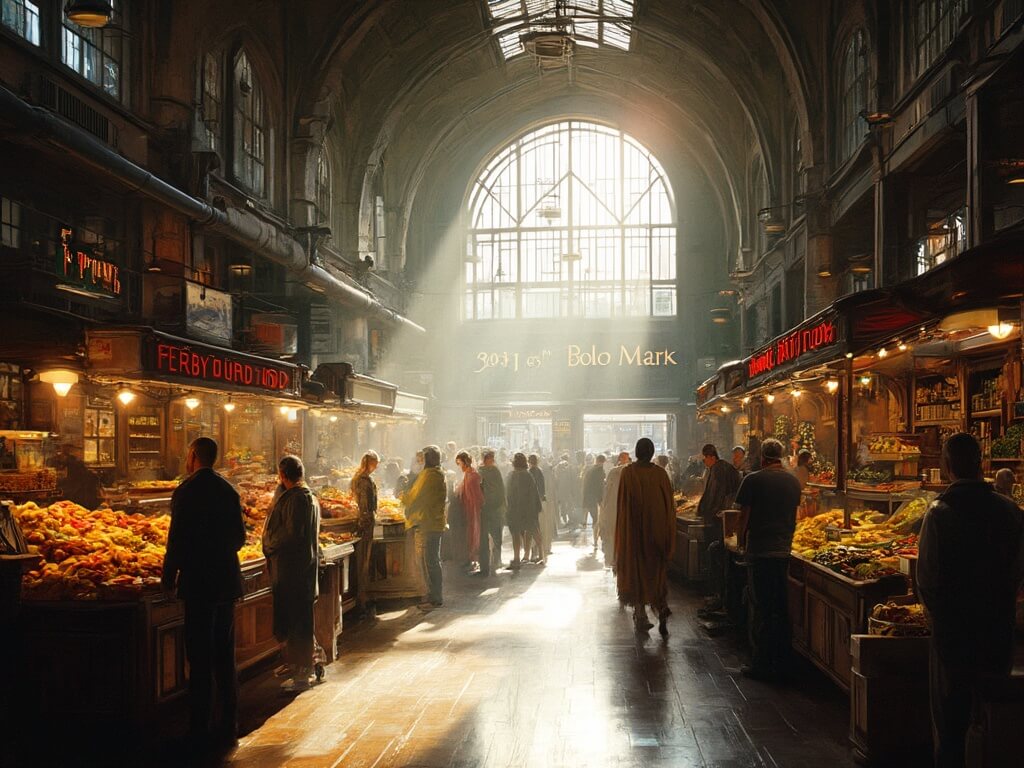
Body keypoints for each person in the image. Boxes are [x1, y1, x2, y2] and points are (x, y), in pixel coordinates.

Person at [917, 433, 1024, 768]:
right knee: (990, 711)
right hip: (997, 626)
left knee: (950, 719)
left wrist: (938, 615)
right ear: (982, 464)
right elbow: (1019, 570)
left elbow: (927, 579)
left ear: (946, 466)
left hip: (952, 630)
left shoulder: (939, 513)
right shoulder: (1011, 511)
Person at [162, 437, 245, 748]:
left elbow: (177, 539)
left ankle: (200, 727)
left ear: (193, 455)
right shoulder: (228, 489)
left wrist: (169, 577)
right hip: (225, 582)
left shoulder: (186, 490)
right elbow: (239, 538)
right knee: (224, 655)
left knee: (198, 656)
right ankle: (229, 722)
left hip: (198, 583)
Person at [734, 438, 802, 681]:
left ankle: (760, 663)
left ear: (762, 457)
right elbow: (795, 515)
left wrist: (741, 541)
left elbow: (744, 515)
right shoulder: (793, 481)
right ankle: (783, 661)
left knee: (761, 607)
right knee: (780, 608)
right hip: (784, 551)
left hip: (760, 550)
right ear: (781, 457)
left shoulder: (753, 479)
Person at [263, 455, 322, 692]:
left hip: (294, 571)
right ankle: (305, 665)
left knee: (299, 623)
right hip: (301, 570)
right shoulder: (307, 496)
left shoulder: (298, 499)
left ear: (282, 475)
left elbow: (291, 535)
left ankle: (302, 672)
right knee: (299, 621)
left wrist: (268, 544)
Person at [615, 438, 676, 635]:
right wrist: (667, 533)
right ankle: (661, 607)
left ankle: (640, 614)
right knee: (656, 573)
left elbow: (623, 507)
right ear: (651, 453)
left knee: (637, 574)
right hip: (657, 533)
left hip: (633, 533)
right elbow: (669, 506)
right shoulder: (660, 474)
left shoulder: (628, 473)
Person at [697, 444, 741, 614]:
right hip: (725, 517)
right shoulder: (724, 467)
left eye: (705, 459)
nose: (704, 462)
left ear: (711, 456)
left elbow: (715, 493)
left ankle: (719, 594)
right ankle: (720, 594)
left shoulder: (717, 469)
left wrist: (707, 511)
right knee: (721, 554)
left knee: (717, 554)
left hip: (720, 519)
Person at [402, 445, 447, 607]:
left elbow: (415, 497)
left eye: (422, 458)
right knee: (433, 560)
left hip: (428, 523)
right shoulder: (437, 474)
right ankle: (434, 595)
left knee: (430, 561)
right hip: (435, 522)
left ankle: (434, 596)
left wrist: (403, 496)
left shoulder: (429, 476)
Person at [350, 450, 379, 617]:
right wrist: (364, 524)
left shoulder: (359, 478)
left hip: (364, 524)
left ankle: (361, 598)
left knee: (363, 562)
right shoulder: (364, 481)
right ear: (370, 463)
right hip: (364, 526)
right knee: (362, 562)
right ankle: (361, 600)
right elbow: (364, 505)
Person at [505, 452, 543, 570]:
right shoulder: (528, 476)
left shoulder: (511, 475)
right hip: (528, 510)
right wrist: (536, 508)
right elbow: (534, 494)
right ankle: (541, 555)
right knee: (534, 530)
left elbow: (507, 493)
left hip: (514, 510)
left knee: (515, 534)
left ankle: (517, 558)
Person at [599, 451, 630, 569]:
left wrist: (604, 506)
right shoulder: (630, 472)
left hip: (612, 507)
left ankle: (614, 558)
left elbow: (607, 492)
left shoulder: (613, 472)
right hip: (623, 508)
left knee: (612, 534)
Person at [477, 450, 507, 576]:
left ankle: (497, 559)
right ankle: (485, 563)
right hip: (484, 507)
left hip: (495, 507)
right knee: (484, 536)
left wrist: (501, 503)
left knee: (497, 535)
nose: (491, 460)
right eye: (489, 458)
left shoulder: (495, 471)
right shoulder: (480, 471)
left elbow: (501, 488)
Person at [455, 451, 483, 572]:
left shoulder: (472, 475)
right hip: (468, 508)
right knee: (470, 533)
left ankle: (474, 559)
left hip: (473, 509)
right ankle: (471, 558)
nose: (459, 466)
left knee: (474, 533)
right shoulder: (468, 474)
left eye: (459, 463)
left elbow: (478, 496)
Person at [56, 445, 102, 510]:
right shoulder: (76, 464)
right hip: (82, 498)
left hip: (78, 495)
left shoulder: (73, 464)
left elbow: (71, 479)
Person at [528, 454, 554, 558]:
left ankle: (535, 551)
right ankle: (542, 549)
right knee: (542, 526)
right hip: (541, 501)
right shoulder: (539, 471)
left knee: (534, 527)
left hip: (533, 503)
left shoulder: (530, 472)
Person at [581, 454, 606, 551]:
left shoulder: (589, 470)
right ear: (602, 462)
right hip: (596, 499)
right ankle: (596, 540)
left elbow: (585, 486)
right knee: (597, 520)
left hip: (589, 498)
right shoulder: (600, 471)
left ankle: (595, 540)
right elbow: (600, 487)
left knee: (595, 519)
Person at [553, 454, 576, 527]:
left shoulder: (557, 467)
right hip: (568, 488)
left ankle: (564, 520)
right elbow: (573, 479)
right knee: (570, 504)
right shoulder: (570, 467)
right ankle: (570, 519)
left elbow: (555, 479)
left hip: (561, 489)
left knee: (562, 505)